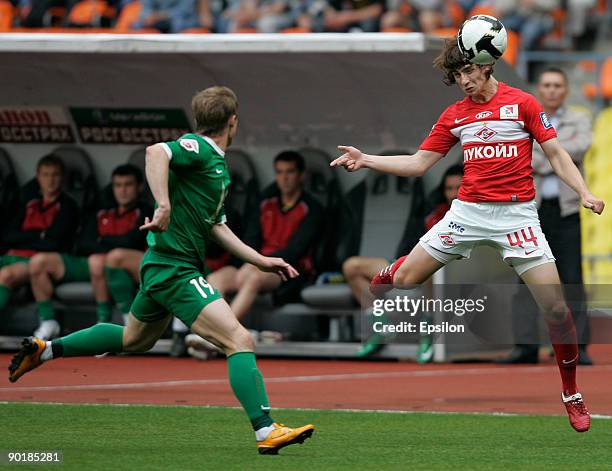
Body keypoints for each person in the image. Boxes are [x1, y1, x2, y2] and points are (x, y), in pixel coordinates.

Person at [8, 86, 315, 455]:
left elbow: (214, 225)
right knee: (240, 340)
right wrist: (164, 204)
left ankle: (45, 350)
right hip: (175, 269)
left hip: (161, 266)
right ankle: (265, 429)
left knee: (135, 339)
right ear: (233, 122)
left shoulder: (214, 162)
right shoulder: (199, 148)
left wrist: (259, 259)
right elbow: (157, 152)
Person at [330, 37, 604, 433]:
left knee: (558, 310)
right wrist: (367, 159)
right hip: (468, 213)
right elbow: (419, 163)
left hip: (517, 216)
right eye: (457, 74)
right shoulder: (455, 115)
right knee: (407, 280)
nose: (463, 80)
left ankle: (571, 393)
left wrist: (584, 192)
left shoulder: (523, 103)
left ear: (487, 66)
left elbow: (558, 155)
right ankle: (392, 271)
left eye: (468, 71)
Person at [498, 68, 593, 365]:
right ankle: (525, 346)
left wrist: (547, 150)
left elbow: (581, 147)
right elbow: (528, 154)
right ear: (539, 89)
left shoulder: (580, 118)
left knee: (571, 279)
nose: (552, 90)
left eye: (557, 85)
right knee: (524, 278)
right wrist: (556, 153)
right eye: (547, 85)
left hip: (565, 211)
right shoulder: (523, 117)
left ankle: (577, 347)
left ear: (565, 90)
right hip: (530, 212)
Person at [343, 164, 462, 360]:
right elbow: (410, 245)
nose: (453, 194)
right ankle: (380, 326)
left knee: (431, 266)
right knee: (352, 267)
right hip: (411, 264)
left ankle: (428, 330)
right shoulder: (432, 213)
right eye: (449, 189)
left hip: (447, 273)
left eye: (459, 188)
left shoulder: (474, 215)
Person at [27, 164, 152, 339]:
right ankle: (48, 321)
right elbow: (83, 243)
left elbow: (131, 241)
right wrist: (107, 244)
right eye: (118, 185)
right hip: (89, 263)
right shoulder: (101, 211)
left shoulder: (146, 210)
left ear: (139, 187)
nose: (122, 191)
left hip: (121, 268)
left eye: (128, 185)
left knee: (105, 259)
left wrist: (101, 241)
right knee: (38, 262)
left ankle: (110, 323)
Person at [203, 150, 323, 321]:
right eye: (279, 172)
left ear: (301, 175)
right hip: (255, 262)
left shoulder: (312, 209)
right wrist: (252, 261)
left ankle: (227, 335)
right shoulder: (265, 204)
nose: (284, 178)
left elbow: (295, 251)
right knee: (216, 278)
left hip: (289, 269)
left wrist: (258, 263)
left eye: (290, 172)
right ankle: (211, 334)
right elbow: (251, 239)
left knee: (252, 278)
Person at [0, 154, 79, 318]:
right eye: (45, 174)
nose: (50, 180)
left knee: (6, 275)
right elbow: (7, 235)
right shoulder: (29, 203)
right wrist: (38, 235)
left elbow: (53, 243)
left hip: (39, 263)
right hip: (12, 256)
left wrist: (23, 237)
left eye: (55, 175)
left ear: (62, 178)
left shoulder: (68, 206)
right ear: (38, 176)